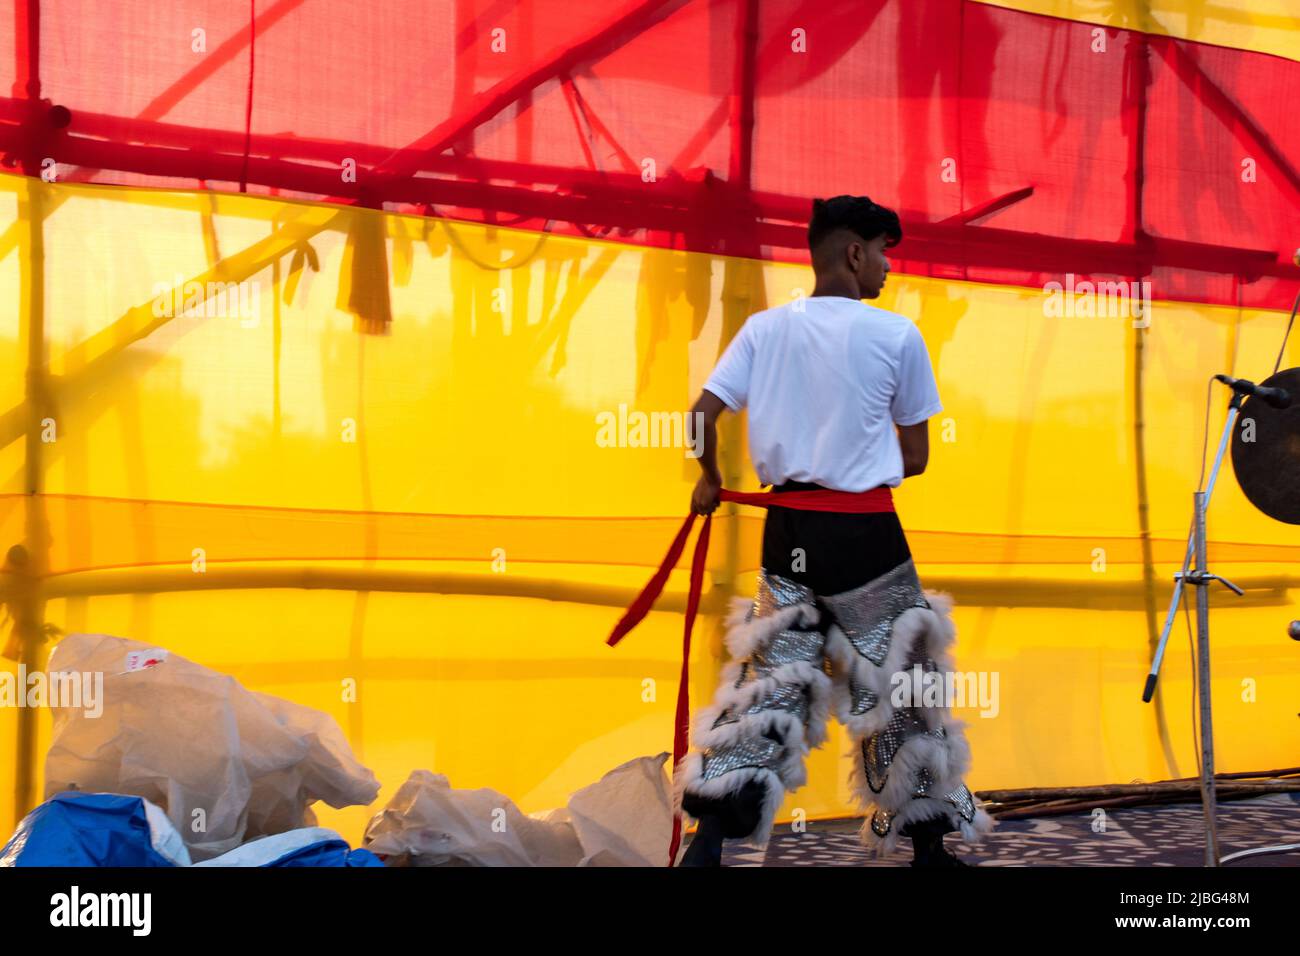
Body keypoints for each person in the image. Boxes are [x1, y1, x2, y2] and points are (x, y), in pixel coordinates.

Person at [677, 195, 994, 867]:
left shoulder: (765, 330)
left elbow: (701, 417)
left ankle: (707, 845)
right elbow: (915, 459)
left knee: (773, 682)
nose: (885, 269)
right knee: (901, 688)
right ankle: (930, 851)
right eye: (882, 252)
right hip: (866, 534)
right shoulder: (897, 336)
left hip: (789, 529)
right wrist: (857, 445)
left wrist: (709, 479)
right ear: (854, 252)